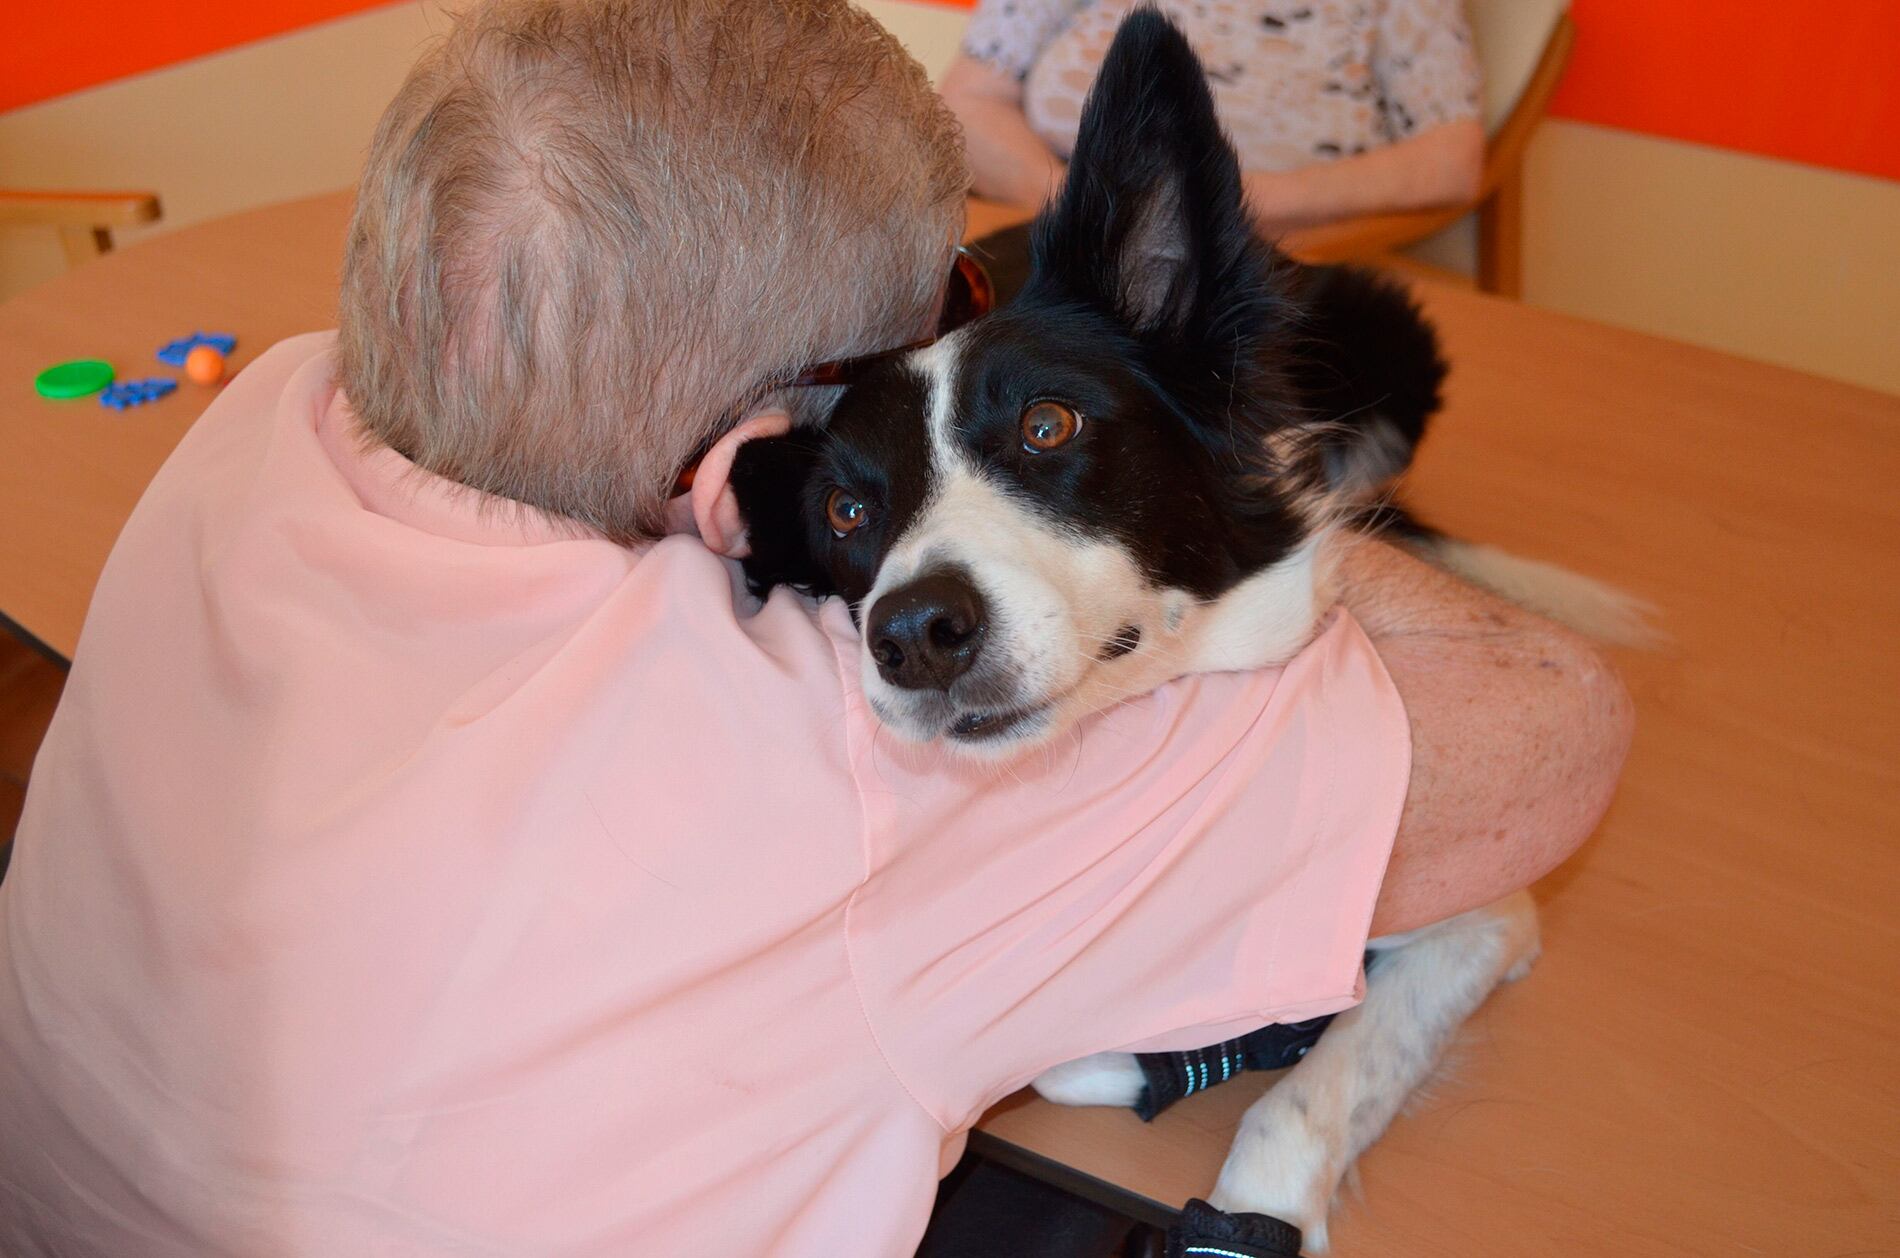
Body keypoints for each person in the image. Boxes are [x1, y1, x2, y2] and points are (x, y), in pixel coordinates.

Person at [0, 1, 1628, 1255]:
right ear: (764, 441)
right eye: (954, 305)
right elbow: (1549, 731)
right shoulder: (835, 753)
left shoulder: (257, 421)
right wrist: (1183, 443)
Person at [944, 0, 1486, 235]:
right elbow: (970, 102)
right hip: (1056, 235)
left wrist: (1223, 206)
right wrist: (1084, 207)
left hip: (1277, 262)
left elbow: (1451, 159)